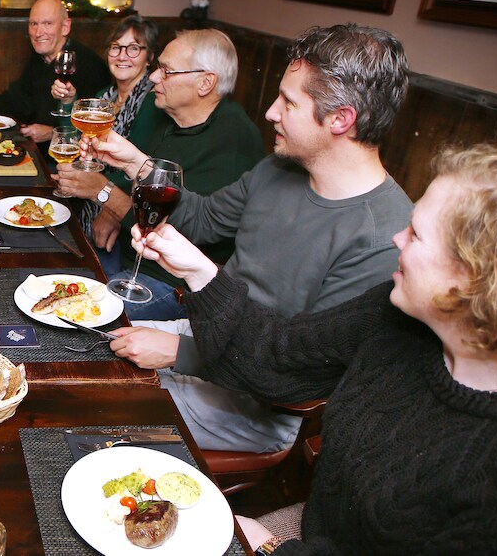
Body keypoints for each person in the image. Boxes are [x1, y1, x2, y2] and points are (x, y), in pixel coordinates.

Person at [134, 143, 497, 554]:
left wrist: (271, 547)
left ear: (479, 277)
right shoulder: (396, 314)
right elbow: (276, 356)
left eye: (417, 233)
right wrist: (199, 272)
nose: (397, 237)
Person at [94, 24, 414, 453]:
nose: (270, 112)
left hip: (259, 403)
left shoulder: (383, 239)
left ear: (341, 119)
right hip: (205, 335)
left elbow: (292, 374)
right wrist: (135, 162)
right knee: (78, 346)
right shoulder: (278, 169)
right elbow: (203, 220)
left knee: (94, 409)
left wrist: (180, 352)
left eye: (289, 102)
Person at [89, 28, 263, 316]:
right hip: (128, 254)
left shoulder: (234, 140)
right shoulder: (163, 113)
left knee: (88, 316)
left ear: (205, 82)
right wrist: (109, 209)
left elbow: (191, 229)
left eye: (167, 71)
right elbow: (137, 182)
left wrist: (106, 198)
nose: (155, 77)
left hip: (170, 282)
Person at [0, 0, 109, 149]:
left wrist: (52, 133)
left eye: (47, 23)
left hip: (68, 160)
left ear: (65, 27)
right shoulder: (40, 59)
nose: (38, 32)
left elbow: (96, 131)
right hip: (36, 150)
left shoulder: (89, 65)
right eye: (34, 24)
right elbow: (16, 101)